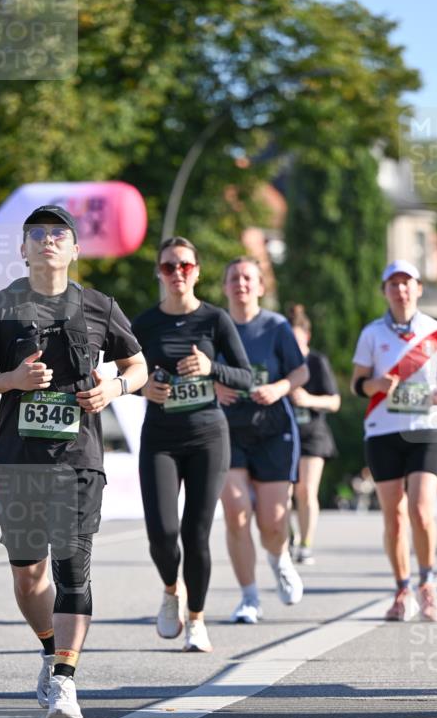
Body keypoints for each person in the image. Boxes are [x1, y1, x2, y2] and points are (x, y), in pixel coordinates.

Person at [0, 205, 147, 718]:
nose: (47, 240)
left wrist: (115, 388)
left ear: (76, 249)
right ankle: (48, 647)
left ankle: (64, 679)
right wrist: (11, 381)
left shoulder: (101, 306)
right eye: (36, 233)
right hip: (16, 462)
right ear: (23, 249)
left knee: (73, 568)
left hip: (79, 460)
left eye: (59, 233)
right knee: (28, 575)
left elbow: (138, 365)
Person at [132, 237, 252, 653]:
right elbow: (121, 371)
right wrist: (143, 388)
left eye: (185, 265)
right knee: (162, 533)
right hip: (160, 440)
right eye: (169, 266)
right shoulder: (145, 324)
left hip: (207, 438)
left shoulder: (215, 319)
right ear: (159, 273)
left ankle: (197, 620)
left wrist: (210, 367)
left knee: (195, 532)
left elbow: (245, 376)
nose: (177, 273)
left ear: (197, 272)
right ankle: (172, 590)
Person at [350, 260, 437, 622]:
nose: (401, 290)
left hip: (425, 428)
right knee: (394, 517)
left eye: (407, 283)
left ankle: (428, 583)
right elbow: (357, 384)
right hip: (383, 431)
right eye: (393, 284)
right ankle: (401, 588)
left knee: (421, 511)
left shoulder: (436, 331)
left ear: (419, 288)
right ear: (385, 291)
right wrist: (375, 385)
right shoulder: (372, 334)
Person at [217, 257, 309, 624]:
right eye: (234, 278)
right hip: (228, 429)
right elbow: (196, 368)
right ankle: (249, 597)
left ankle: (279, 558)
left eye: (247, 278)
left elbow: (301, 371)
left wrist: (279, 388)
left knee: (272, 521)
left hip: (272, 429)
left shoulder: (276, 326)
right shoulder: (214, 325)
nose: (241, 283)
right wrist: (212, 386)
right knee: (236, 513)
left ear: (260, 286)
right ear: (224, 286)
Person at [287, 304, 340, 564]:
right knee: (283, 493)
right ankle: (289, 536)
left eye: (297, 340)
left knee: (306, 491)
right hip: (284, 433)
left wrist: (308, 399)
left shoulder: (317, 362)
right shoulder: (280, 362)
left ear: (307, 337)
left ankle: (306, 544)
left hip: (313, 434)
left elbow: (334, 401)